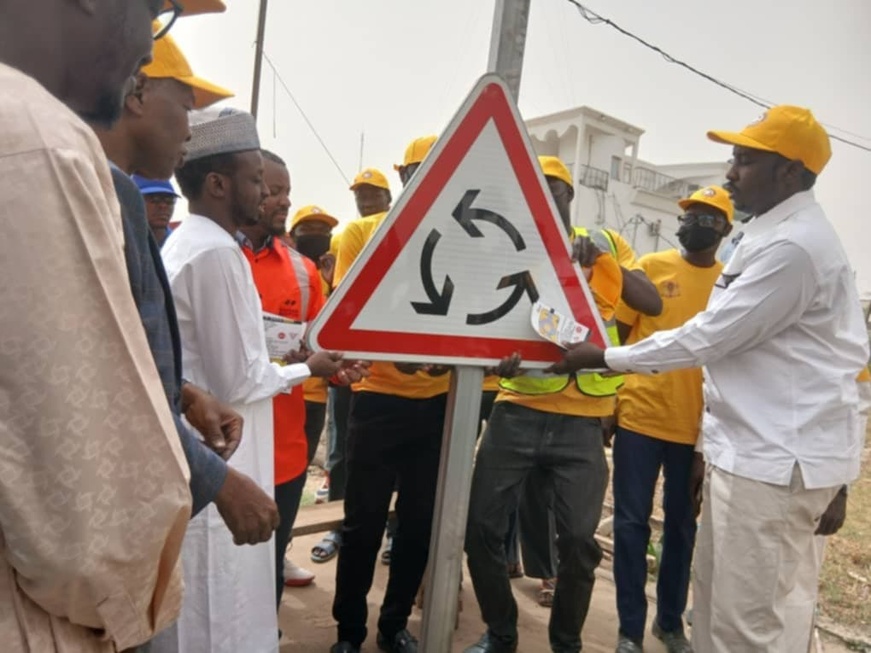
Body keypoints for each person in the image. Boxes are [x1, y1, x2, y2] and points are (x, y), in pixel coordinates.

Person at [549, 106, 869, 653]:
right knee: (722, 611)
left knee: (747, 629)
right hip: (747, 456)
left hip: (774, 466)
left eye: (745, 160)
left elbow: (707, 338)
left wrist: (601, 357)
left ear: (790, 172)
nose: (729, 173)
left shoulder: (794, 248)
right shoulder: (766, 237)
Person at [0, 2, 192, 652]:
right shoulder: (32, 136)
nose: (146, 41)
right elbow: (80, 500)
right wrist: (132, 595)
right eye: (154, 11)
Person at [152, 108, 343, 653]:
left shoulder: (191, 243)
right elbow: (241, 378)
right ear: (217, 183)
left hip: (206, 453)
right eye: (256, 179)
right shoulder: (216, 251)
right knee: (218, 611)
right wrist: (311, 367)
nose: (266, 193)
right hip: (223, 457)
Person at [463, 155, 624, 653]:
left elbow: (648, 304)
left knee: (578, 543)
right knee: (481, 530)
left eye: (554, 188)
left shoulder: (604, 244)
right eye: (534, 187)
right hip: (517, 410)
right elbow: (481, 321)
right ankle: (502, 632)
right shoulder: (503, 248)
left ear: (570, 196)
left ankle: (567, 643)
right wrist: (496, 361)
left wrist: (600, 257)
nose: (544, 196)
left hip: (582, 424)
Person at [330, 136, 446, 653]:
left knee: (418, 527)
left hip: (439, 406)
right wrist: (395, 351)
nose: (425, 178)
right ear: (401, 176)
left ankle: (393, 626)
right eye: (416, 170)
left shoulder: (460, 241)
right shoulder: (362, 232)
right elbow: (348, 309)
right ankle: (349, 633)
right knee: (363, 526)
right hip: (378, 400)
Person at [611, 186, 733, 653]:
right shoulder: (649, 268)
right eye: (689, 215)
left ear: (725, 228)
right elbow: (620, 341)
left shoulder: (730, 284)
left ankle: (668, 622)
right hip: (639, 418)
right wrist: (610, 405)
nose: (695, 222)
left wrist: (709, 442)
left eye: (708, 216)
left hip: (695, 432)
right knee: (629, 524)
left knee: (682, 528)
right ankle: (628, 630)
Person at [238, 152, 357, 600]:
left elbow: (319, 347)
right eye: (273, 191)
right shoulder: (213, 257)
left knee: (267, 570)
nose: (284, 202)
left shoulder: (302, 272)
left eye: (288, 191)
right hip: (221, 452)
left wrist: (342, 367)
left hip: (283, 454)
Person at [311, 169, 394, 564]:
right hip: (348, 364)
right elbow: (339, 299)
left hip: (391, 373)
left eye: (372, 194)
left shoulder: (400, 231)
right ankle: (336, 527)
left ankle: (392, 533)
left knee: (392, 457)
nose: (365, 201)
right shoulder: (346, 236)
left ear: (388, 197)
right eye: (360, 194)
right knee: (342, 452)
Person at [132, 176, 180, 245]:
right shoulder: (122, 240)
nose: (163, 206)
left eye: (169, 200)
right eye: (155, 199)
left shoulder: (178, 243)